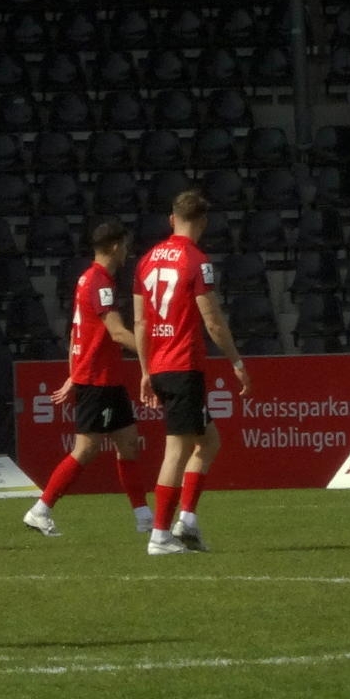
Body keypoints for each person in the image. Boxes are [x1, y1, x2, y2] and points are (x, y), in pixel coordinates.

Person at [133, 190, 252, 555]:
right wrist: (236, 361)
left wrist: (145, 370)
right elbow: (212, 320)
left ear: (172, 219)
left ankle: (187, 521)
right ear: (203, 222)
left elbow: (140, 322)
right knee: (177, 450)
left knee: (208, 442)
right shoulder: (197, 261)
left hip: (160, 365)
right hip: (183, 365)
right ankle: (160, 535)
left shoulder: (146, 260)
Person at [23, 219, 153, 538]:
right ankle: (41, 509)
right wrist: (156, 352)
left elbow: (76, 334)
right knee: (86, 448)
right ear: (114, 246)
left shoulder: (87, 279)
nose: (127, 251)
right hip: (99, 379)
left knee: (128, 443)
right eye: (124, 245)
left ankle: (144, 517)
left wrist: (73, 373)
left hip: (104, 377)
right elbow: (117, 333)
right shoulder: (101, 284)